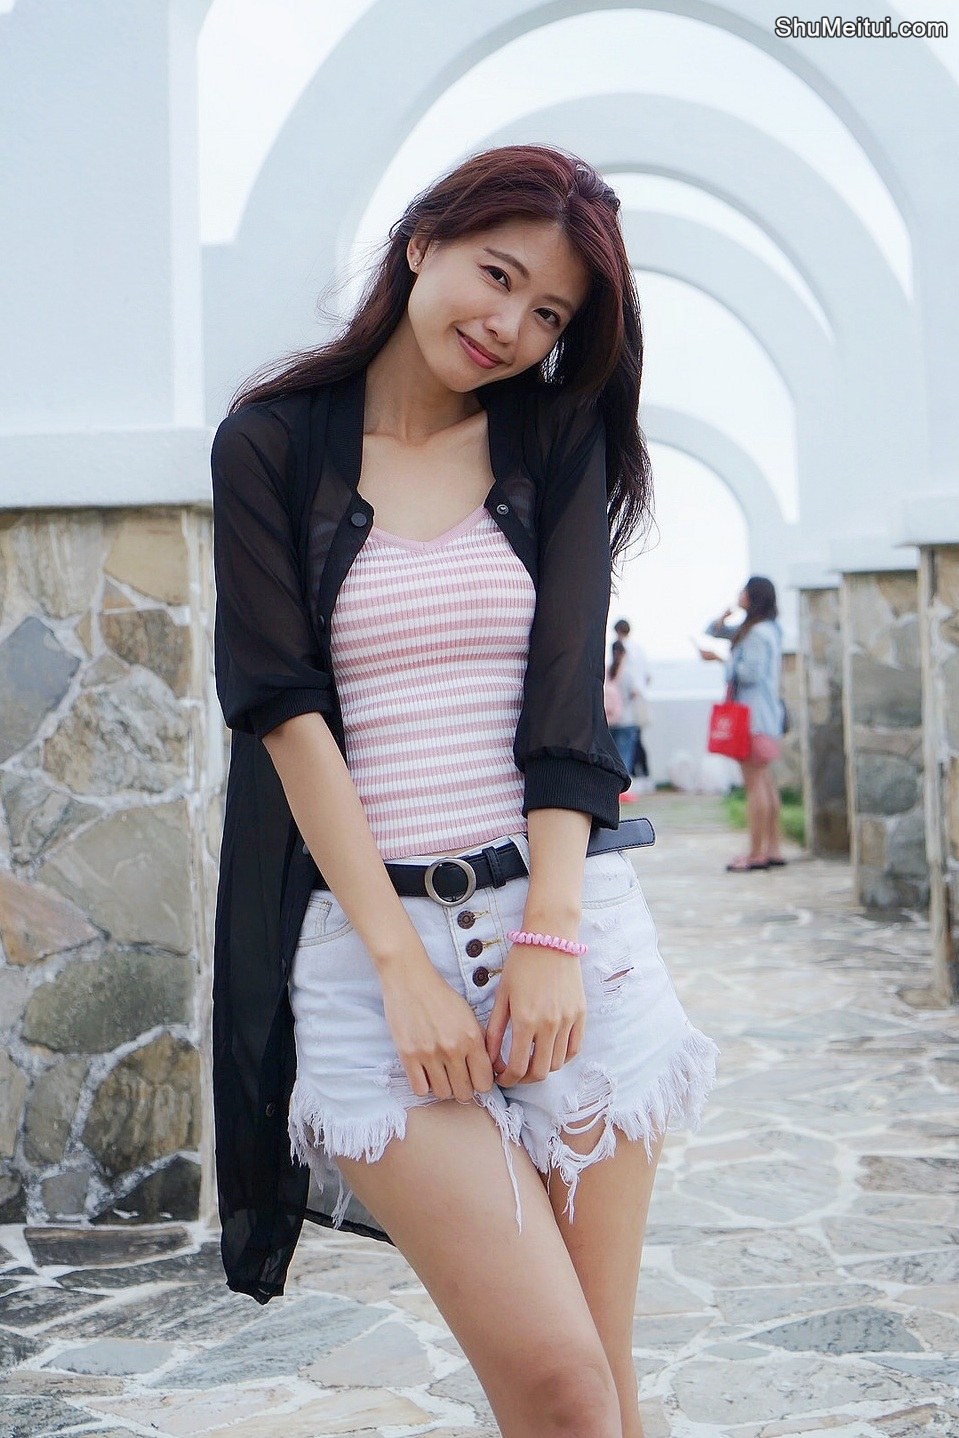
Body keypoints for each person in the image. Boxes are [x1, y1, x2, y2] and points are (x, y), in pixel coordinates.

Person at [211, 144, 719, 1438]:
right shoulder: (270, 445)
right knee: (556, 1383)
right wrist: (399, 962)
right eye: (497, 275)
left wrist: (549, 937)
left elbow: (565, 712)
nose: (510, 326)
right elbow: (281, 708)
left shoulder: (552, 438)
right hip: (369, 964)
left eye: (548, 313)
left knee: (598, 1385)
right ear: (421, 241)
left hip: (568, 943)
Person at [700, 576, 786, 872]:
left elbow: (750, 674)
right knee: (765, 781)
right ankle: (772, 849)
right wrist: (724, 618)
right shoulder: (765, 628)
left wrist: (720, 660)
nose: (739, 593)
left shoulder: (757, 633)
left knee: (755, 784)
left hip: (753, 718)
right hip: (764, 716)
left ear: (752, 596)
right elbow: (712, 631)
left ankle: (756, 853)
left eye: (744, 590)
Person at [614, 617, 654, 793]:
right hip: (638, 699)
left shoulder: (621, 649)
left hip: (622, 705)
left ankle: (632, 779)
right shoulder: (639, 649)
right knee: (636, 740)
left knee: (628, 743)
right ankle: (643, 776)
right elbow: (648, 676)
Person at [605, 639, 640, 803]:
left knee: (612, 756)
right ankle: (622, 790)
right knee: (625, 756)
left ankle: (610, 788)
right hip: (626, 719)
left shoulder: (606, 671)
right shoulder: (627, 672)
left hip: (609, 719)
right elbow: (635, 692)